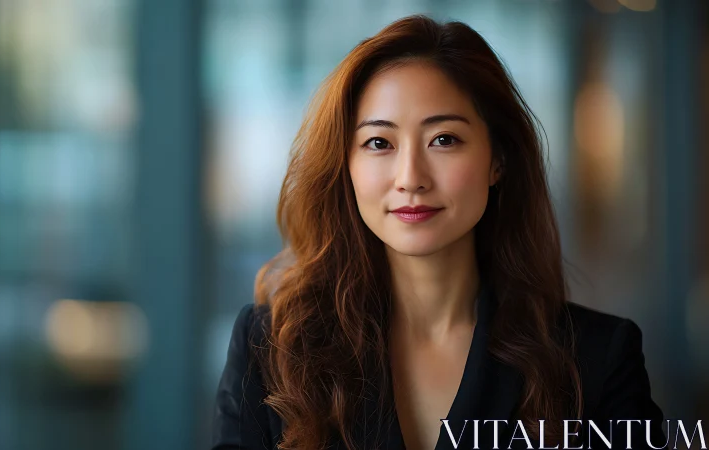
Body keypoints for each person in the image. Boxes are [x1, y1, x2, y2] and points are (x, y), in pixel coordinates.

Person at [211, 15, 667, 450]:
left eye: (443, 139)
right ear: (345, 166)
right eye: (379, 143)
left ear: (497, 160)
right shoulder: (272, 349)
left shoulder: (596, 359)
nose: (410, 177)